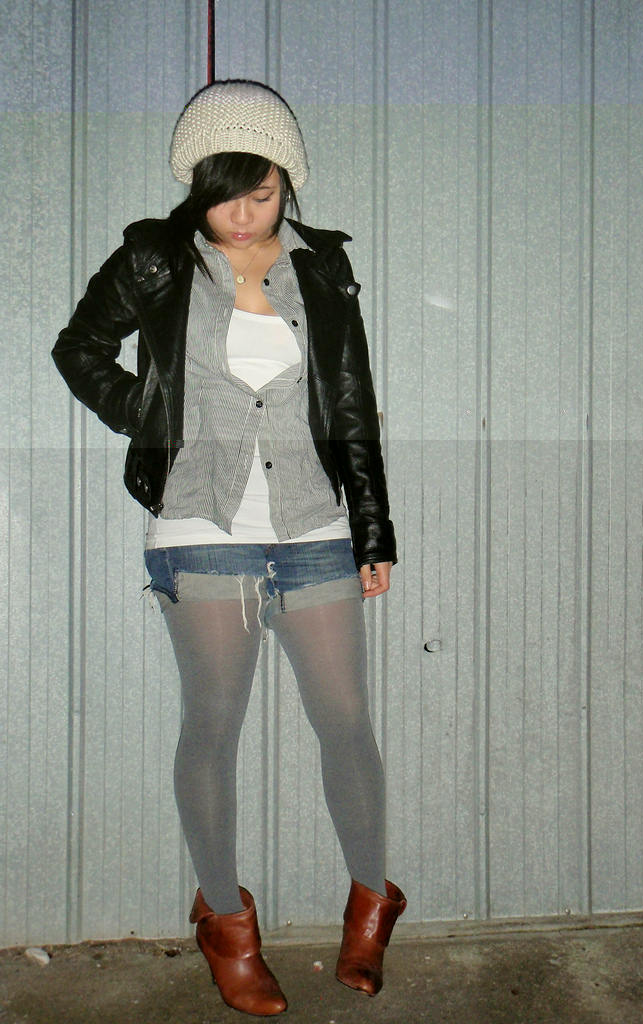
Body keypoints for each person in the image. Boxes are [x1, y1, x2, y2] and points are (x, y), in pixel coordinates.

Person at [53, 79, 405, 1017]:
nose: (243, 215)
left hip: (313, 525)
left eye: (263, 192)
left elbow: (352, 402)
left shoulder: (321, 269)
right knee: (212, 726)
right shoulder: (156, 259)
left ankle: (372, 902)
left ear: (288, 182)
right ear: (196, 188)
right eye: (224, 194)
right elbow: (78, 348)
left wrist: (372, 529)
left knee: (346, 723)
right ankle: (226, 925)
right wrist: (147, 414)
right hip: (199, 526)